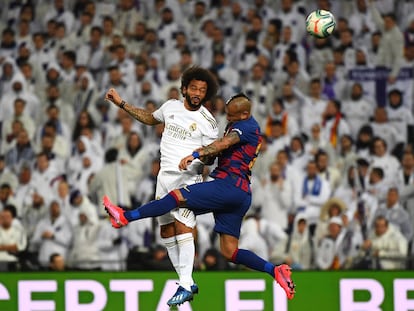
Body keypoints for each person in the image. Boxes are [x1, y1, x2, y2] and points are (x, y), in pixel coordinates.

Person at [103, 93, 295, 305]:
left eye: (232, 116)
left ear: (245, 113)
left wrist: (195, 155)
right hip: (240, 193)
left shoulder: (247, 126)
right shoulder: (238, 124)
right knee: (229, 251)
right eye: (227, 115)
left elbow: (223, 144)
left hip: (228, 185)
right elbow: (221, 151)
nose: (228, 118)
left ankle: (125, 217)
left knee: (176, 196)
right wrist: (206, 155)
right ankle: (275, 271)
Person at [104, 66, 219, 305]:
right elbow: (149, 118)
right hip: (164, 177)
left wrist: (197, 156)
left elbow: (211, 156)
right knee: (166, 230)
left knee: (183, 226)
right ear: (185, 88)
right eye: (195, 88)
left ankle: (186, 283)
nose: (198, 93)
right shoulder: (171, 106)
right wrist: (121, 103)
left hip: (188, 179)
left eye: (203, 90)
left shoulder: (208, 122)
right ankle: (185, 281)